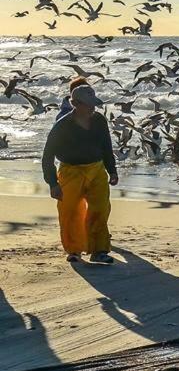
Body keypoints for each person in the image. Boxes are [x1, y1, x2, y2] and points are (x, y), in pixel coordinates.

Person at [42, 85, 118, 264]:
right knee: (70, 212)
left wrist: (112, 170)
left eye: (94, 104)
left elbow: (107, 147)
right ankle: (74, 250)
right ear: (75, 104)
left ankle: (99, 250)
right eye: (88, 104)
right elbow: (47, 156)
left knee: (100, 209)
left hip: (97, 169)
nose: (93, 107)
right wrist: (53, 183)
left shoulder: (99, 120)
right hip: (70, 171)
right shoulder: (62, 126)